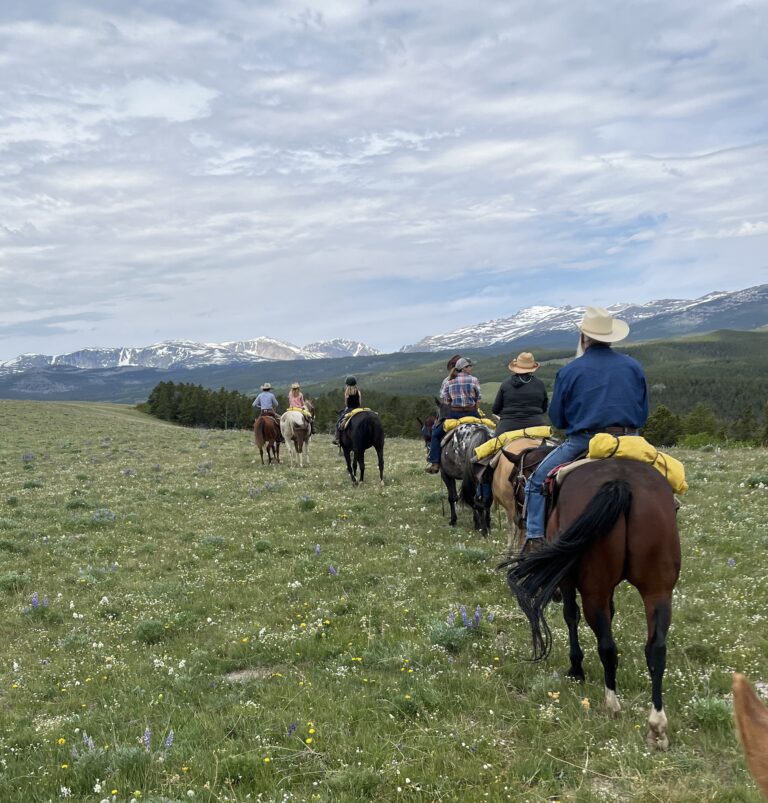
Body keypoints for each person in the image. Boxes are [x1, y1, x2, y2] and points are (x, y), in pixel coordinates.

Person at [522, 307, 649, 553]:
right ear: (611, 337)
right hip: (629, 440)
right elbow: (643, 414)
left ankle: (535, 537)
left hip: (584, 442)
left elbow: (558, 418)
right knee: (664, 478)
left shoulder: (569, 370)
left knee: (536, 482)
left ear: (583, 337)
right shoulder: (634, 366)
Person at [425, 357, 481, 473]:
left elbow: (446, 401)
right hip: (472, 413)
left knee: (436, 434)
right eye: (470, 366)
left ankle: (435, 462)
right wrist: (474, 408)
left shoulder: (449, 381)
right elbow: (478, 399)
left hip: (455, 414)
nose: (471, 368)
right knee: (487, 429)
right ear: (464, 368)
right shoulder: (474, 380)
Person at [492, 351, 549, 435]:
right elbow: (544, 408)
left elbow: (495, 410)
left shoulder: (506, 384)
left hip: (507, 426)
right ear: (532, 369)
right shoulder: (540, 384)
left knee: (494, 443)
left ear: (516, 367)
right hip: (536, 424)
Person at [332, 377, 362, 444]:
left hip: (350, 409)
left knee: (338, 422)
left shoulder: (347, 392)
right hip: (358, 409)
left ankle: (337, 438)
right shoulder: (358, 392)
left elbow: (346, 404)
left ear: (347, 384)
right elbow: (360, 403)